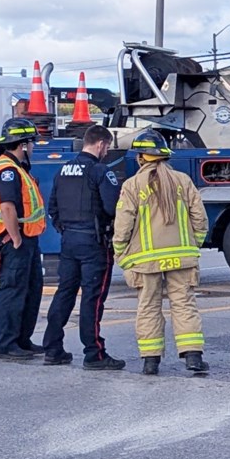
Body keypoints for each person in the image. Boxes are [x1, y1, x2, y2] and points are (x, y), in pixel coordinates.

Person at [112, 130, 209, 376]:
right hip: (182, 257)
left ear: (140, 158)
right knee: (184, 304)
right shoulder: (183, 181)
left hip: (145, 261)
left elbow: (123, 224)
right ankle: (193, 358)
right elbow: (200, 218)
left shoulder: (132, 185)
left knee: (148, 307)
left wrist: (120, 253)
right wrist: (193, 245)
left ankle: (151, 361)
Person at [42, 125, 124, 369]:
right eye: (107, 147)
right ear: (100, 144)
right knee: (93, 297)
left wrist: (66, 229)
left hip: (69, 242)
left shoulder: (63, 170)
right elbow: (112, 208)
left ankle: (53, 348)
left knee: (64, 293)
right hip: (94, 244)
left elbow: (53, 208)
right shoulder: (100, 171)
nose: (106, 151)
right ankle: (94, 353)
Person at [0, 119, 46, 361]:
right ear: (22, 144)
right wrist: (16, 239)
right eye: (31, 143)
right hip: (14, 241)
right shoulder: (8, 170)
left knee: (30, 290)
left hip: (25, 240)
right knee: (14, 291)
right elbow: (7, 207)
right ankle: (6, 344)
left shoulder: (17, 168)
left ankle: (21, 340)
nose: (33, 147)